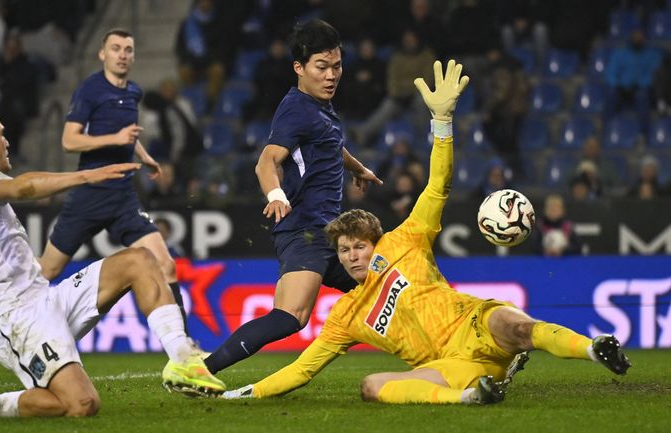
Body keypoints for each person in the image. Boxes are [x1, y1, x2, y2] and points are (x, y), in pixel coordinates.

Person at [221, 60, 631, 405]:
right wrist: (242, 394)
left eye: (358, 247)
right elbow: (301, 369)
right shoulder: (344, 318)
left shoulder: (406, 240)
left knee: (516, 325)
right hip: (446, 366)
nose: (351, 257)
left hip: (475, 324)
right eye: (344, 251)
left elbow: (438, 184)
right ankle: (472, 396)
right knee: (371, 387)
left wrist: (442, 121)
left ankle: (594, 349)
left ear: (375, 241)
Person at [0, 104, 225, 418]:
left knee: (140, 260)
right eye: (1, 135)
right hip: (15, 321)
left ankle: (182, 359)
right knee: (81, 405)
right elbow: (22, 187)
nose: (7, 142)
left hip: (47, 298)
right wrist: (85, 176)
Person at [202, 19, 382, 375]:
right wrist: (275, 193)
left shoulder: (319, 108)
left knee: (387, 285)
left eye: (337, 66)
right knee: (291, 316)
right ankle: (201, 370)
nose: (331, 75)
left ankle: (444, 355)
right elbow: (267, 161)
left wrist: (357, 168)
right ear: (299, 68)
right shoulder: (297, 109)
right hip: (305, 231)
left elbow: (331, 145)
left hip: (327, 234)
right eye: (321, 67)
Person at [38, 29, 192, 332]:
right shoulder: (89, 90)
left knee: (167, 264)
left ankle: (186, 350)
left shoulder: (133, 91)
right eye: (116, 48)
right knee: (48, 269)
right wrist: (116, 138)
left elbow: (128, 134)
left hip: (124, 197)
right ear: (102, 54)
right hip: (90, 196)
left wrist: (143, 155)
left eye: (128, 50)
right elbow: (70, 141)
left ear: (133, 56)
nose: (122, 54)